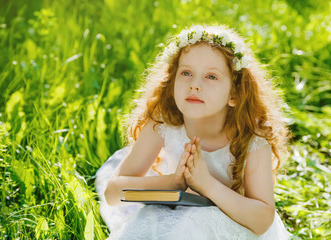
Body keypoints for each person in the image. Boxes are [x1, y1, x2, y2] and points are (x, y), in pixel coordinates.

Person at [96, 25, 293, 240]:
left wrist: (205, 184)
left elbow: (262, 220)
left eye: (211, 76)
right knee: (153, 224)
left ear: (234, 94)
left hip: (232, 224)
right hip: (174, 216)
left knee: (190, 228)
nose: (195, 85)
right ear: (172, 82)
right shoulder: (163, 124)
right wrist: (174, 182)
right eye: (186, 73)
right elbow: (112, 193)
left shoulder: (252, 139)